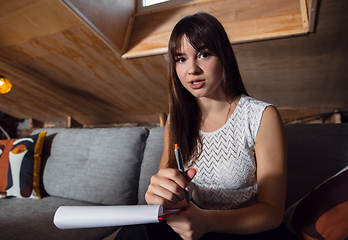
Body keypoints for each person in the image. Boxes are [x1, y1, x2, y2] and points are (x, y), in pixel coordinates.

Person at [115, 12, 287, 240]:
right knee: (134, 231)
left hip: (245, 229)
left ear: (224, 55)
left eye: (204, 54)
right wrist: (161, 195)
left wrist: (207, 221)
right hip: (193, 222)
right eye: (181, 59)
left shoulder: (261, 116)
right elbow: (169, 189)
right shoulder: (176, 120)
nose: (192, 69)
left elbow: (272, 214)